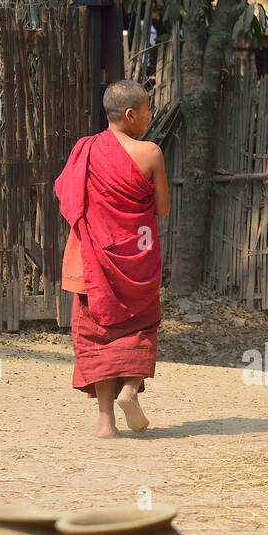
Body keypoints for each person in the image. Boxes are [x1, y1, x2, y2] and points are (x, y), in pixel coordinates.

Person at [55, 80, 170, 438]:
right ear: (130, 114)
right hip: (136, 259)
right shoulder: (150, 152)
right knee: (141, 325)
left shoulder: (84, 150)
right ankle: (130, 390)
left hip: (91, 263)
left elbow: (68, 200)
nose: (151, 116)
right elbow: (163, 209)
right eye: (148, 109)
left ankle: (106, 423)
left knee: (96, 336)